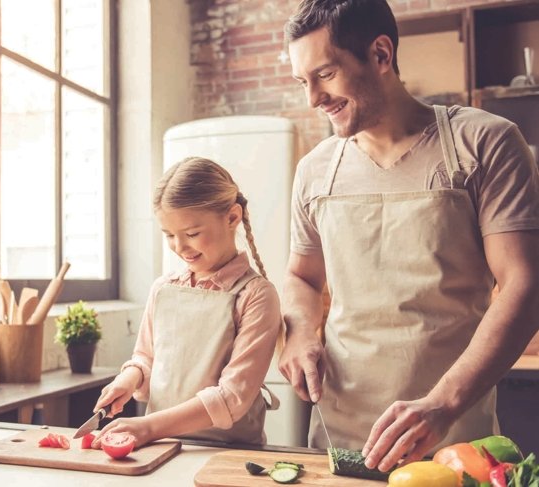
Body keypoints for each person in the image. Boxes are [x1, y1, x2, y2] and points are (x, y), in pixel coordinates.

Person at [278, 0, 539, 473]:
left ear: (380, 55)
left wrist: (441, 404)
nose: (313, 98)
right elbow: (301, 276)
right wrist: (297, 331)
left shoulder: (484, 143)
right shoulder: (314, 171)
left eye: (326, 74)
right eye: (303, 81)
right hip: (338, 440)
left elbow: (525, 283)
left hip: (455, 439)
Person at [91, 157, 282, 447]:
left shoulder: (256, 295)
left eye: (192, 234)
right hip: (158, 446)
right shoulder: (163, 289)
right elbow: (146, 358)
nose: (179, 247)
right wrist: (127, 380)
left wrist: (149, 427)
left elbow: (233, 395)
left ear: (232, 217)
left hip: (225, 453)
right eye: (169, 235)